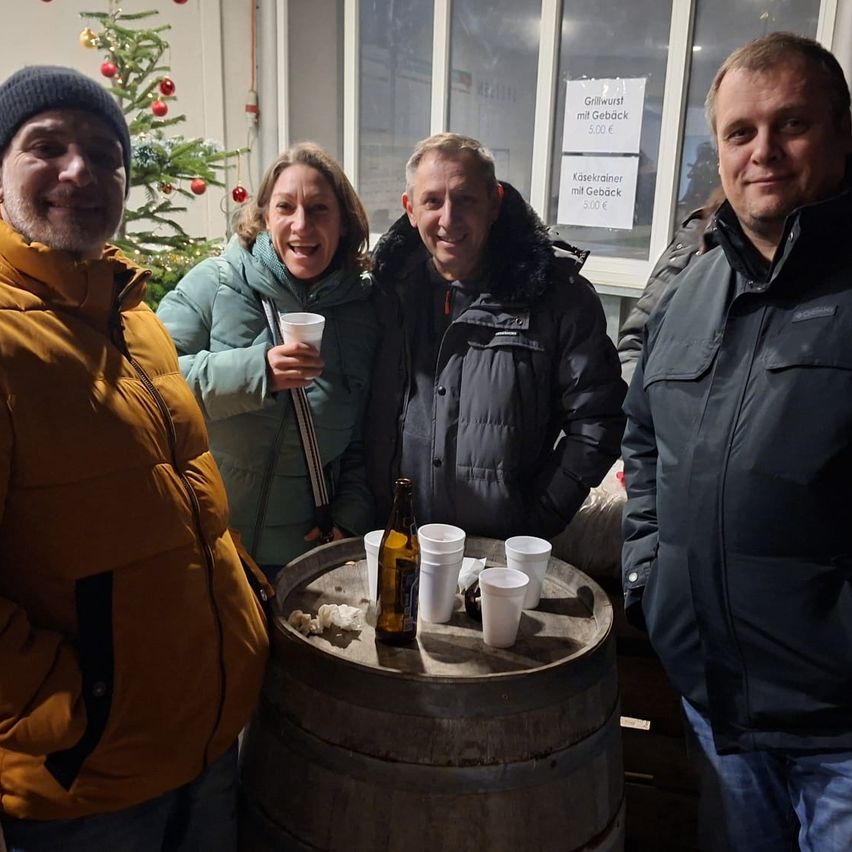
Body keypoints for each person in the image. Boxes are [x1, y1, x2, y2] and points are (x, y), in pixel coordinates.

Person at [0, 66, 268, 851]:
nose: (79, 170)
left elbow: (181, 496)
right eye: (45, 146)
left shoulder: (132, 313)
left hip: (207, 737)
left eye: (102, 153)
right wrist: (63, 710)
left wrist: (244, 604)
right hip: (89, 781)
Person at [621, 33, 852, 852]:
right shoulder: (692, 287)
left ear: (841, 133)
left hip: (839, 730)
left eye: (791, 125)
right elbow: (643, 434)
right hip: (717, 702)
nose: (763, 152)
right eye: (739, 132)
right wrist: (650, 568)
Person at [366, 133, 625, 538]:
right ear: (410, 210)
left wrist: (540, 516)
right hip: (395, 544)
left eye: (465, 198)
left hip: (499, 559)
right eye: (432, 201)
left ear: (495, 202)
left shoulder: (555, 297)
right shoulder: (381, 296)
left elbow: (599, 417)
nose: (448, 218)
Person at [158, 143, 378, 577]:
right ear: (263, 217)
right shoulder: (216, 282)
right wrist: (255, 371)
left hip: (303, 554)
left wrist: (349, 517)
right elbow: (148, 385)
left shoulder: (364, 313)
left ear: (343, 223)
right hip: (207, 541)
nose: (302, 225)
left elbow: (363, 438)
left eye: (319, 209)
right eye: (286, 207)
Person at [617, 186, 724, 384]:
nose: (760, 155)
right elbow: (635, 342)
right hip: (661, 407)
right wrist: (643, 407)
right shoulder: (698, 232)